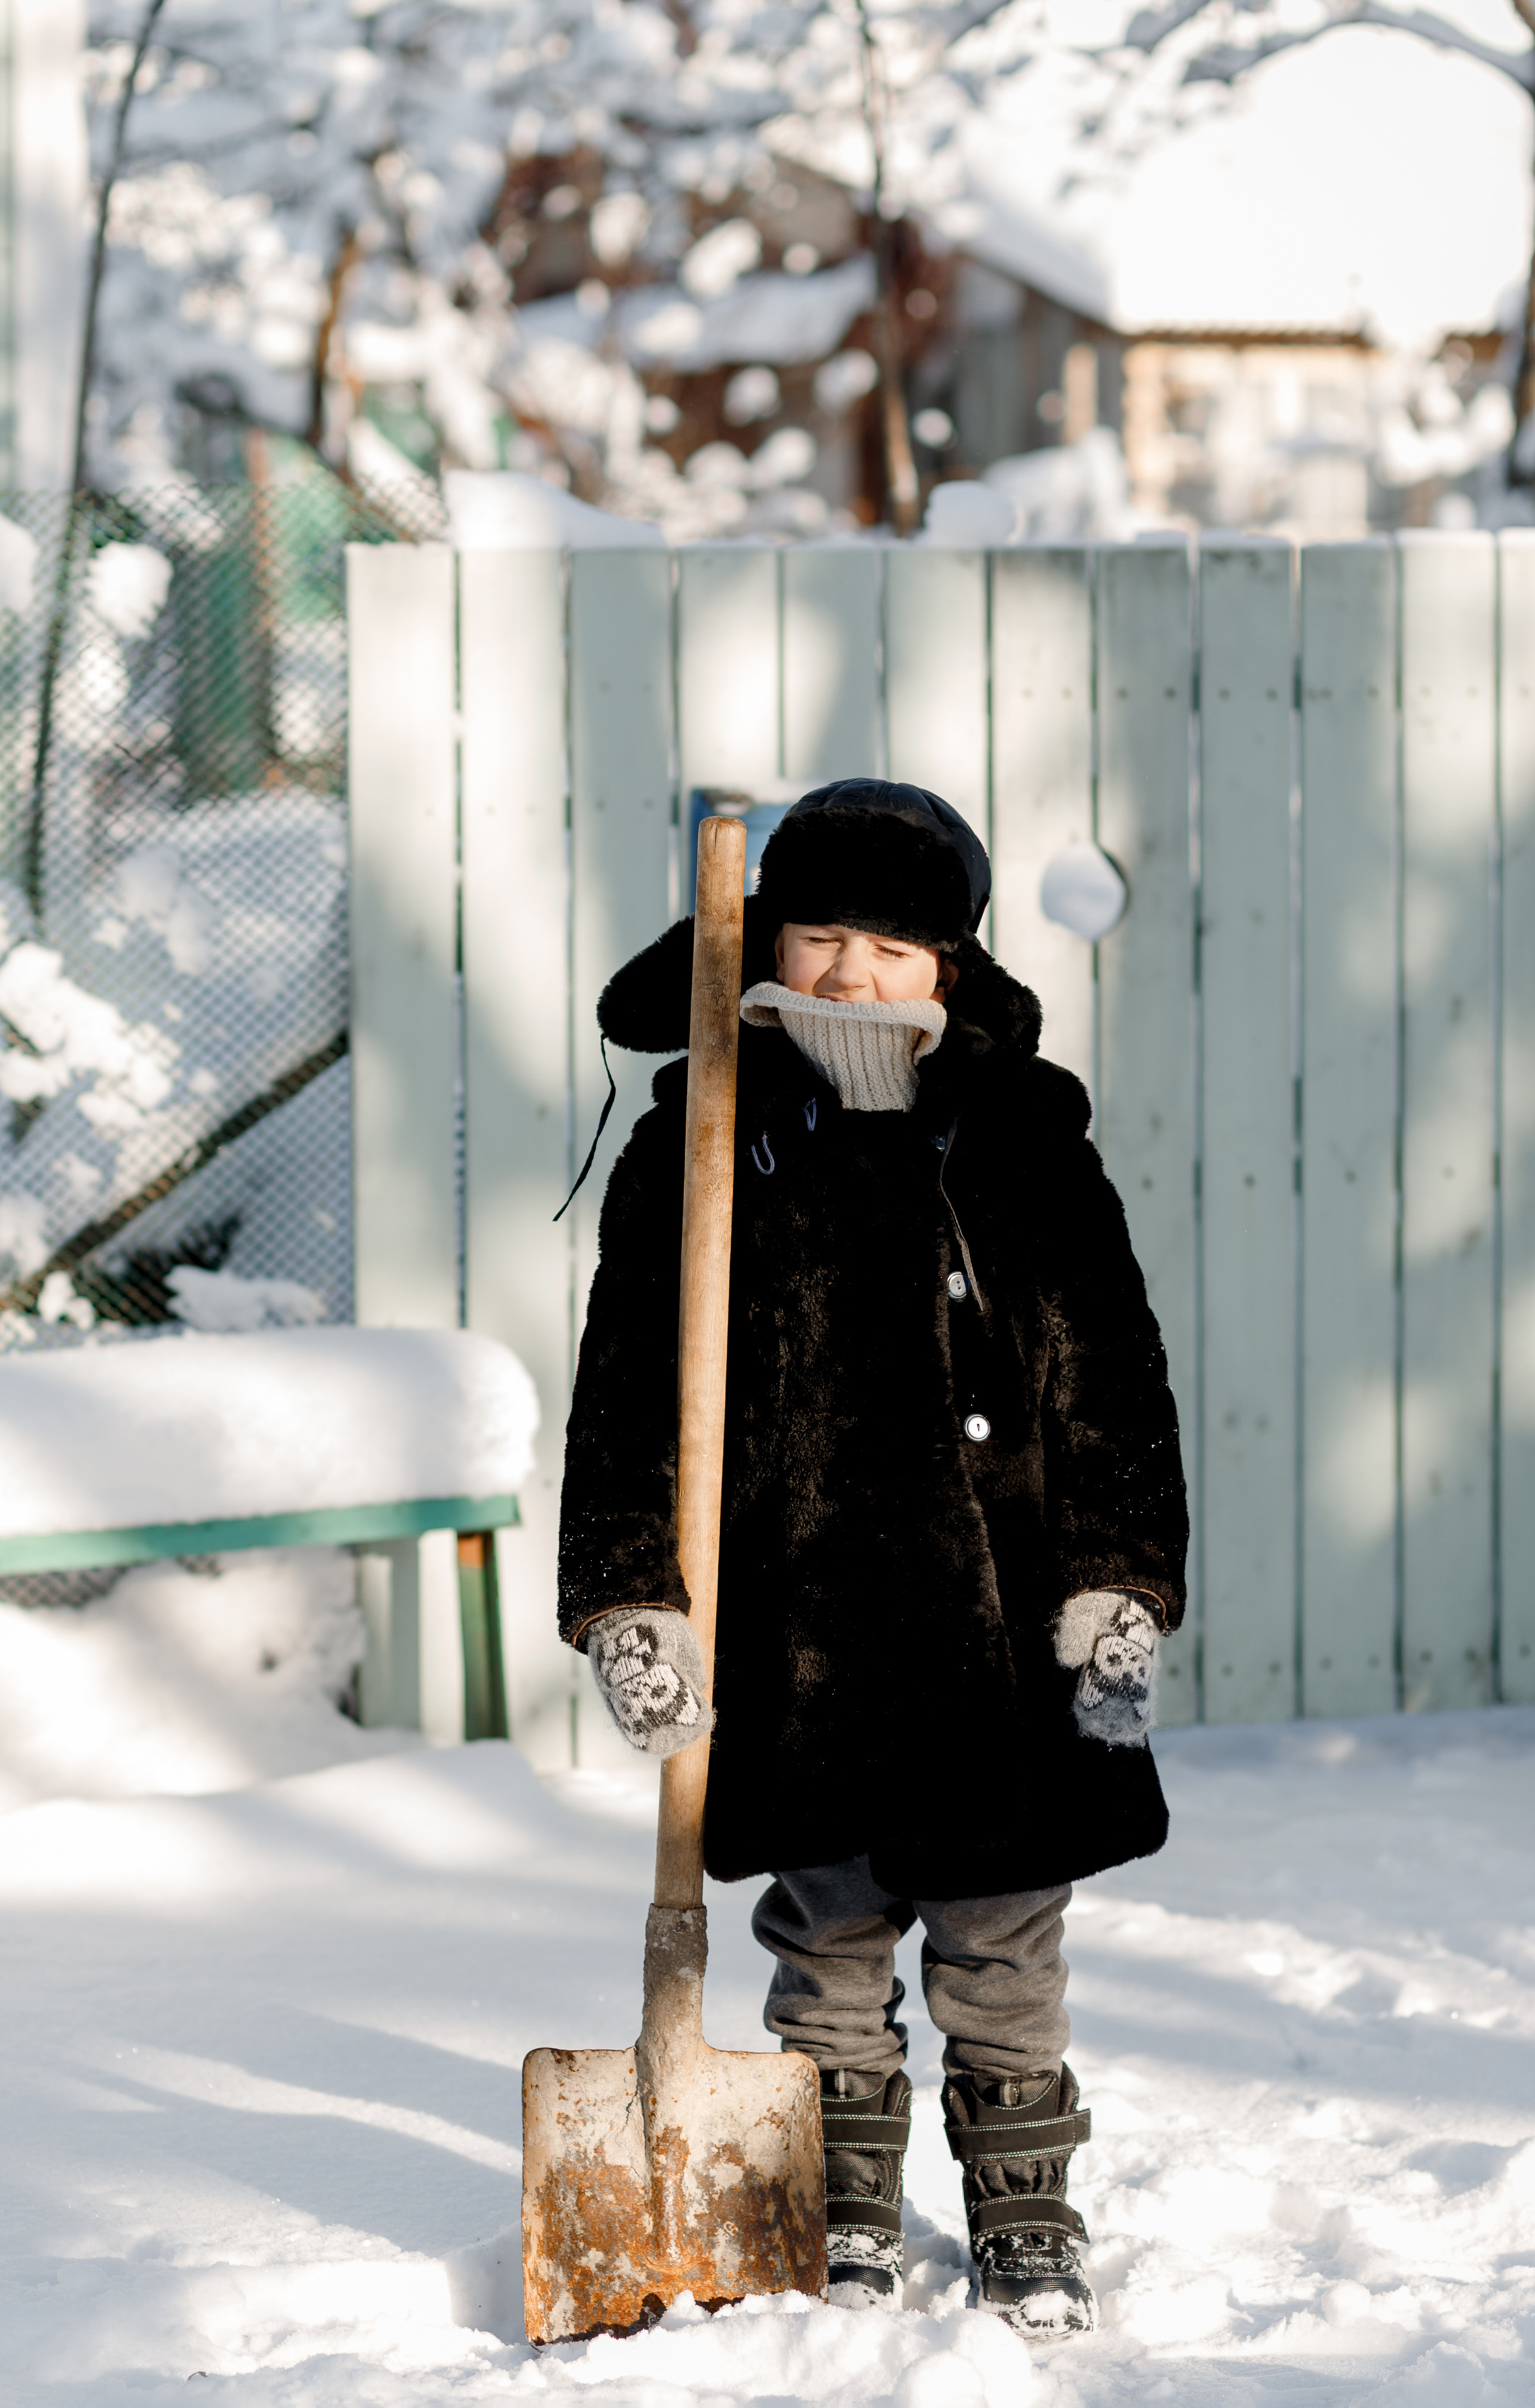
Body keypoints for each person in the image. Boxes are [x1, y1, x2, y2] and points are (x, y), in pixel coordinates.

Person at [557, 780, 1188, 2342]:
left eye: (891, 945)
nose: (849, 973)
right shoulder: (705, 1137)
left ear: (948, 971)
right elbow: (629, 1392)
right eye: (819, 934)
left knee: (1003, 1933)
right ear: (762, 936)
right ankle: (837, 2188)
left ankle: (1021, 2193)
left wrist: (1122, 1573)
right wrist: (632, 1594)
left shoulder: (1026, 1139)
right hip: (801, 1614)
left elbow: (1110, 1375)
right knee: (823, 1932)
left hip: (1009, 1619)